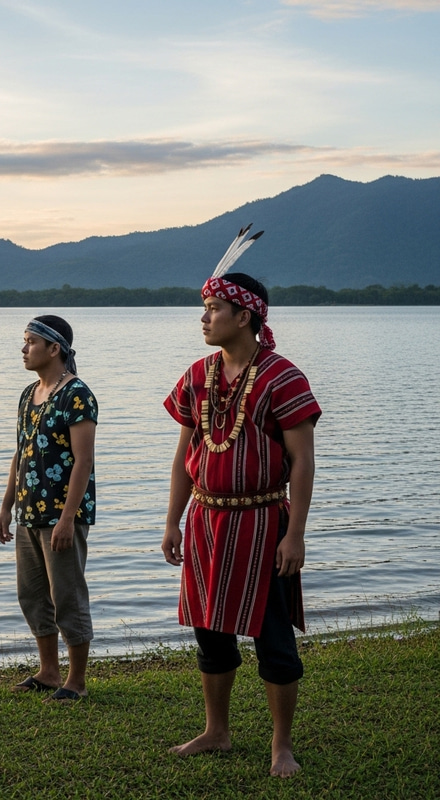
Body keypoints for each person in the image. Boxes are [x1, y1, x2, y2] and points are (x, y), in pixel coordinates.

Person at [161, 226, 321, 778]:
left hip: (262, 524)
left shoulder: (283, 378)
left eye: (214, 309)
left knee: (273, 640)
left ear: (246, 316)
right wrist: (172, 523)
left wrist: (293, 534)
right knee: (211, 632)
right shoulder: (196, 378)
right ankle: (217, 732)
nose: (204, 318)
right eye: (204, 309)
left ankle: (281, 745)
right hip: (206, 522)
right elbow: (185, 455)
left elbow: (302, 462)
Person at [0, 314, 98, 702]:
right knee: (32, 594)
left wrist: (68, 518)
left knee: (67, 595)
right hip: (28, 511)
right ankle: (49, 672)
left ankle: (77, 681)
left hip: (61, 515)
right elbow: (20, 453)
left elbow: (83, 461)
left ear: (54, 349)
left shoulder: (77, 394)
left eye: (31, 342)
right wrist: (6, 508)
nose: (24, 349)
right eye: (24, 341)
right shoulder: (28, 394)